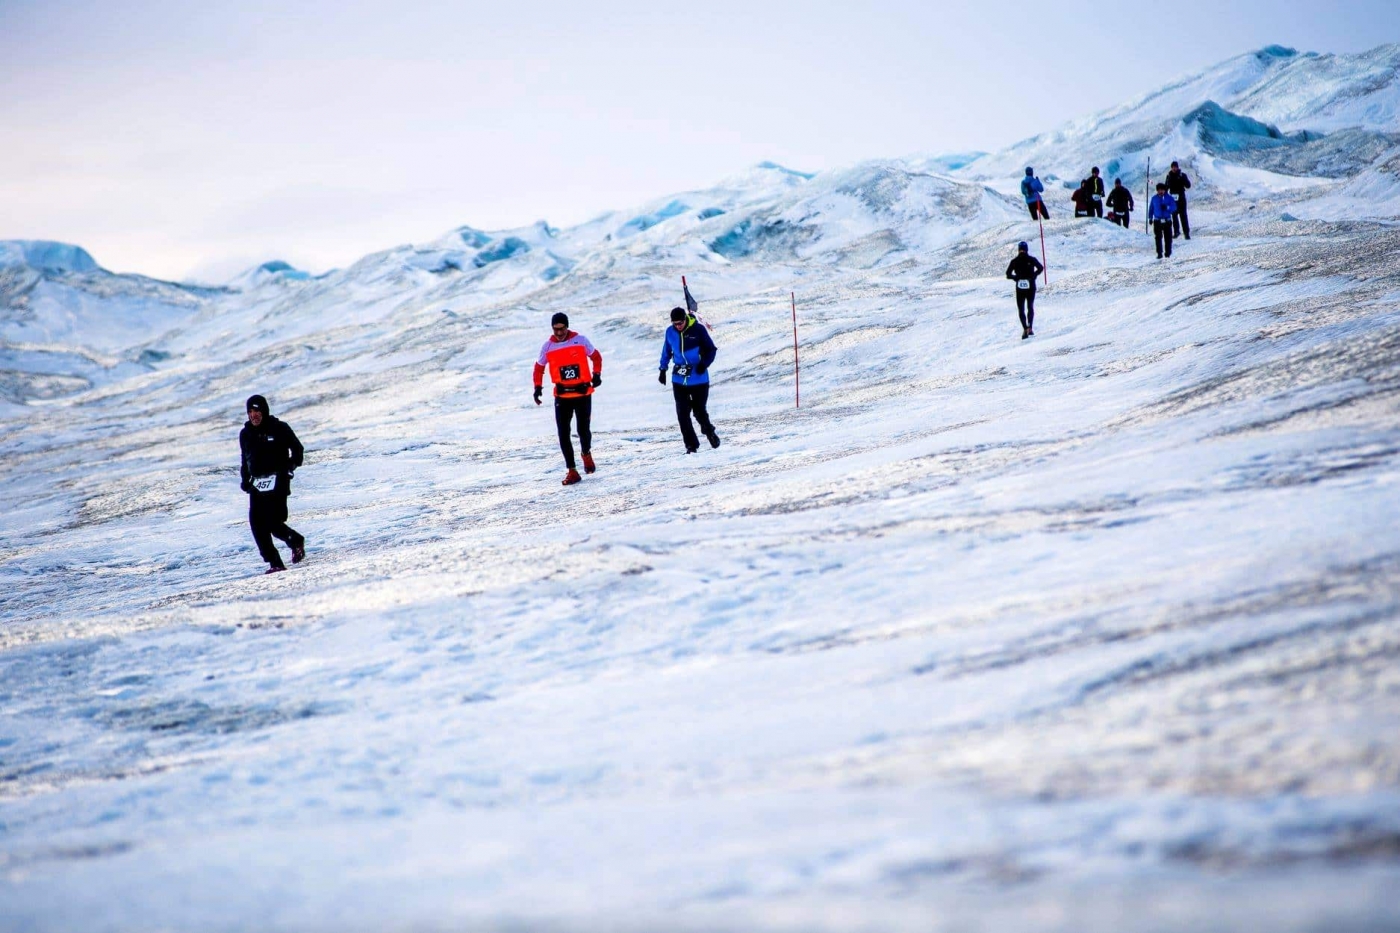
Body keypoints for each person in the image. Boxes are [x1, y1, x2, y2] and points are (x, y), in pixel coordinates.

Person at [239, 394, 305, 574]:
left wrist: (290, 467)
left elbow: (298, 450)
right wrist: (245, 480)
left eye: (257, 411)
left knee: (273, 522)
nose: (254, 415)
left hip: (278, 481)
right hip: (257, 485)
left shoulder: (279, 428)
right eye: (250, 412)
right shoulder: (245, 434)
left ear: (264, 411)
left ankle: (295, 541)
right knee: (257, 524)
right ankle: (275, 562)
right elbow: (245, 461)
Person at [534, 312, 602, 485]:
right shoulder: (548, 346)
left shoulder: (580, 340)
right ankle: (572, 470)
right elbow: (539, 367)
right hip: (562, 396)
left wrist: (596, 375)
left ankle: (586, 453)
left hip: (582, 394)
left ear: (567, 326)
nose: (559, 333)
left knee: (582, 430)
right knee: (563, 434)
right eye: (555, 329)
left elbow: (596, 357)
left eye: (562, 329)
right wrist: (537, 387)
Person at [659, 306, 720, 453]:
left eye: (680, 323)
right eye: (675, 324)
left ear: (685, 319)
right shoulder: (670, 332)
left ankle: (709, 432)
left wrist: (703, 364)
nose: (678, 326)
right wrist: (663, 369)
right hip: (679, 380)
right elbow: (666, 351)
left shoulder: (698, 330)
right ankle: (691, 446)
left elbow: (711, 350)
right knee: (682, 414)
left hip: (699, 379)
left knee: (699, 412)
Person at [1005, 241, 1045, 340]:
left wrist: (1016, 278)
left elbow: (1008, 274)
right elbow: (1040, 268)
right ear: (1027, 249)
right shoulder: (1031, 259)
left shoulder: (1014, 261)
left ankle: (1025, 328)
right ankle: (1030, 327)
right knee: (1030, 306)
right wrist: (1034, 275)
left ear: (1018, 250)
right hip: (1031, 285)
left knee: (1021, 309)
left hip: (1020, 288)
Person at [1149, 183, 1178, 259]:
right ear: (1157, 190)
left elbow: (1174, 207)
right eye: (1159, 190)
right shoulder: (1154, 198)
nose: (1161, 191)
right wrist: (1150, 218)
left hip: (1167, 221)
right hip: (1157, 221)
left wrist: (1167, 207)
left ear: (1165, 190)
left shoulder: (1169, 198)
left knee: (1168, 238)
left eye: (1162, 190)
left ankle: (1168, 253)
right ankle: (1159, 253)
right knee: (1158, 237)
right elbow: (1151, 209)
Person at [1166, 161, 1192, 239]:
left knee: (1183, 215)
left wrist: (1183, 179)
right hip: (1173, 199)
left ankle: (1186, 233)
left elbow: (1188, 185)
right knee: (1174, 216)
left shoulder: (1182, 175)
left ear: (1177, 167)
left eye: (1175, 167)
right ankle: (1176, 232)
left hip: (1181, 198)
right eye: (1173, 167)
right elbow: (1166, 187)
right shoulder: (1169, 176)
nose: (1174, 168)